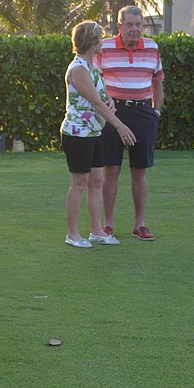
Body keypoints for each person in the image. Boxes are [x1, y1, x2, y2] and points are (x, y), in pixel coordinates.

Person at [60, 21, 137, 249]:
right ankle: (73, 234)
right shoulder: (79, 69)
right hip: (77, 133)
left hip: (93, 132)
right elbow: (96, 103)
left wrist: (110, 99)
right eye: (100, 39)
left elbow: (101, 96)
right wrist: (120, 126)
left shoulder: (92, 67)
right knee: (79, 183)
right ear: (92, 44)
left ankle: (97, 231)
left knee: (96, 182)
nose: (103, 42)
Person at [96, 5, 165, 241]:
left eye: (138, 24)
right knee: (111, 170)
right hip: (113, 112)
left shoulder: (152, 47)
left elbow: (158, 82)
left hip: (143, 113)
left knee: (139, 171)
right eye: (129, 25)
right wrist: (104, 104)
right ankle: (108, 224)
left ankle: (140, 225)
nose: (135, 29)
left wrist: (156, 112)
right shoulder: (104, 47)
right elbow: (94, 79)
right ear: (119, 25)